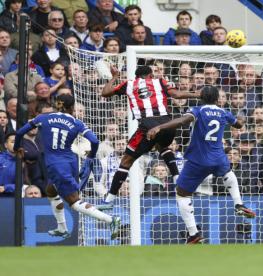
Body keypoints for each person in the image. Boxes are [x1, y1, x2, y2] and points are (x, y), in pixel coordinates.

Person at [147, 86, 256, 244]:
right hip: (219, 157)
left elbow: (183, 121)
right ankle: (239, 203)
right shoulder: (224, 112)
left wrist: (160, 126)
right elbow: (238, 125)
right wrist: (238, 120)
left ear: (201, 98)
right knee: (228, 172)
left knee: (182, 194)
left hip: (198, 159)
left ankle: (193, 234)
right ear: (217, 99)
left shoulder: (198, 110)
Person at [13, 94, 120, 240]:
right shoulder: (77, 123)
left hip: (56, 164)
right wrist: (90, 157)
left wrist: (16, 147)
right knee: (50, 190)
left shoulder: (42, 118)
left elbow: (19, 132)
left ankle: (110, 220)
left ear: (56, 104)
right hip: (70, 161)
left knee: (74, 202)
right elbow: (94, 141)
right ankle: (62, 228)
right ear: (72, 107)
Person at [97, 65, 201, 209]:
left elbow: (105, 93)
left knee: (126, 161)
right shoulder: (160, 81)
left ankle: (109, 200)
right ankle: (178, 180)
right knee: (162, 146)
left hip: (147, 126)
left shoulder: (129, 84)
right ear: (150, 75)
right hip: (168, 124)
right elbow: (176, 95)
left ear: (137, 76)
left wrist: (114, 77)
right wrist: (197, 94)